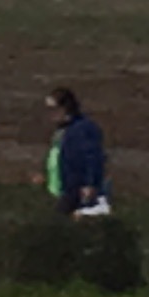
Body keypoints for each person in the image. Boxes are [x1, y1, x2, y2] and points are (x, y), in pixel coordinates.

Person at [45, 86, 111, 215]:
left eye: (53, 109)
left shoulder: (82, 129)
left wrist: (89, 183)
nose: (50, 114)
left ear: (65, 108)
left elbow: (92, 158)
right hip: (64, 188)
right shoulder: (63, 131)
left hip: (77, 190)